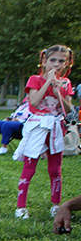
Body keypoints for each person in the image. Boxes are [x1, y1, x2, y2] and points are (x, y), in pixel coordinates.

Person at [13, 44, 74, 220]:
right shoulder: (35, 79)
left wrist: (58, 92)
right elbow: (33, 102)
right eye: (52, 60)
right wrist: (47, 81)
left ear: (67, 63)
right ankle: (21, 206)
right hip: (37, 126)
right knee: (29, 167)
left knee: (55, 169)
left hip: (56, 127)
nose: (56, 64)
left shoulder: (66, 83)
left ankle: (56, 204)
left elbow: (68, 109)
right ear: (44, 61)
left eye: (61, 61)